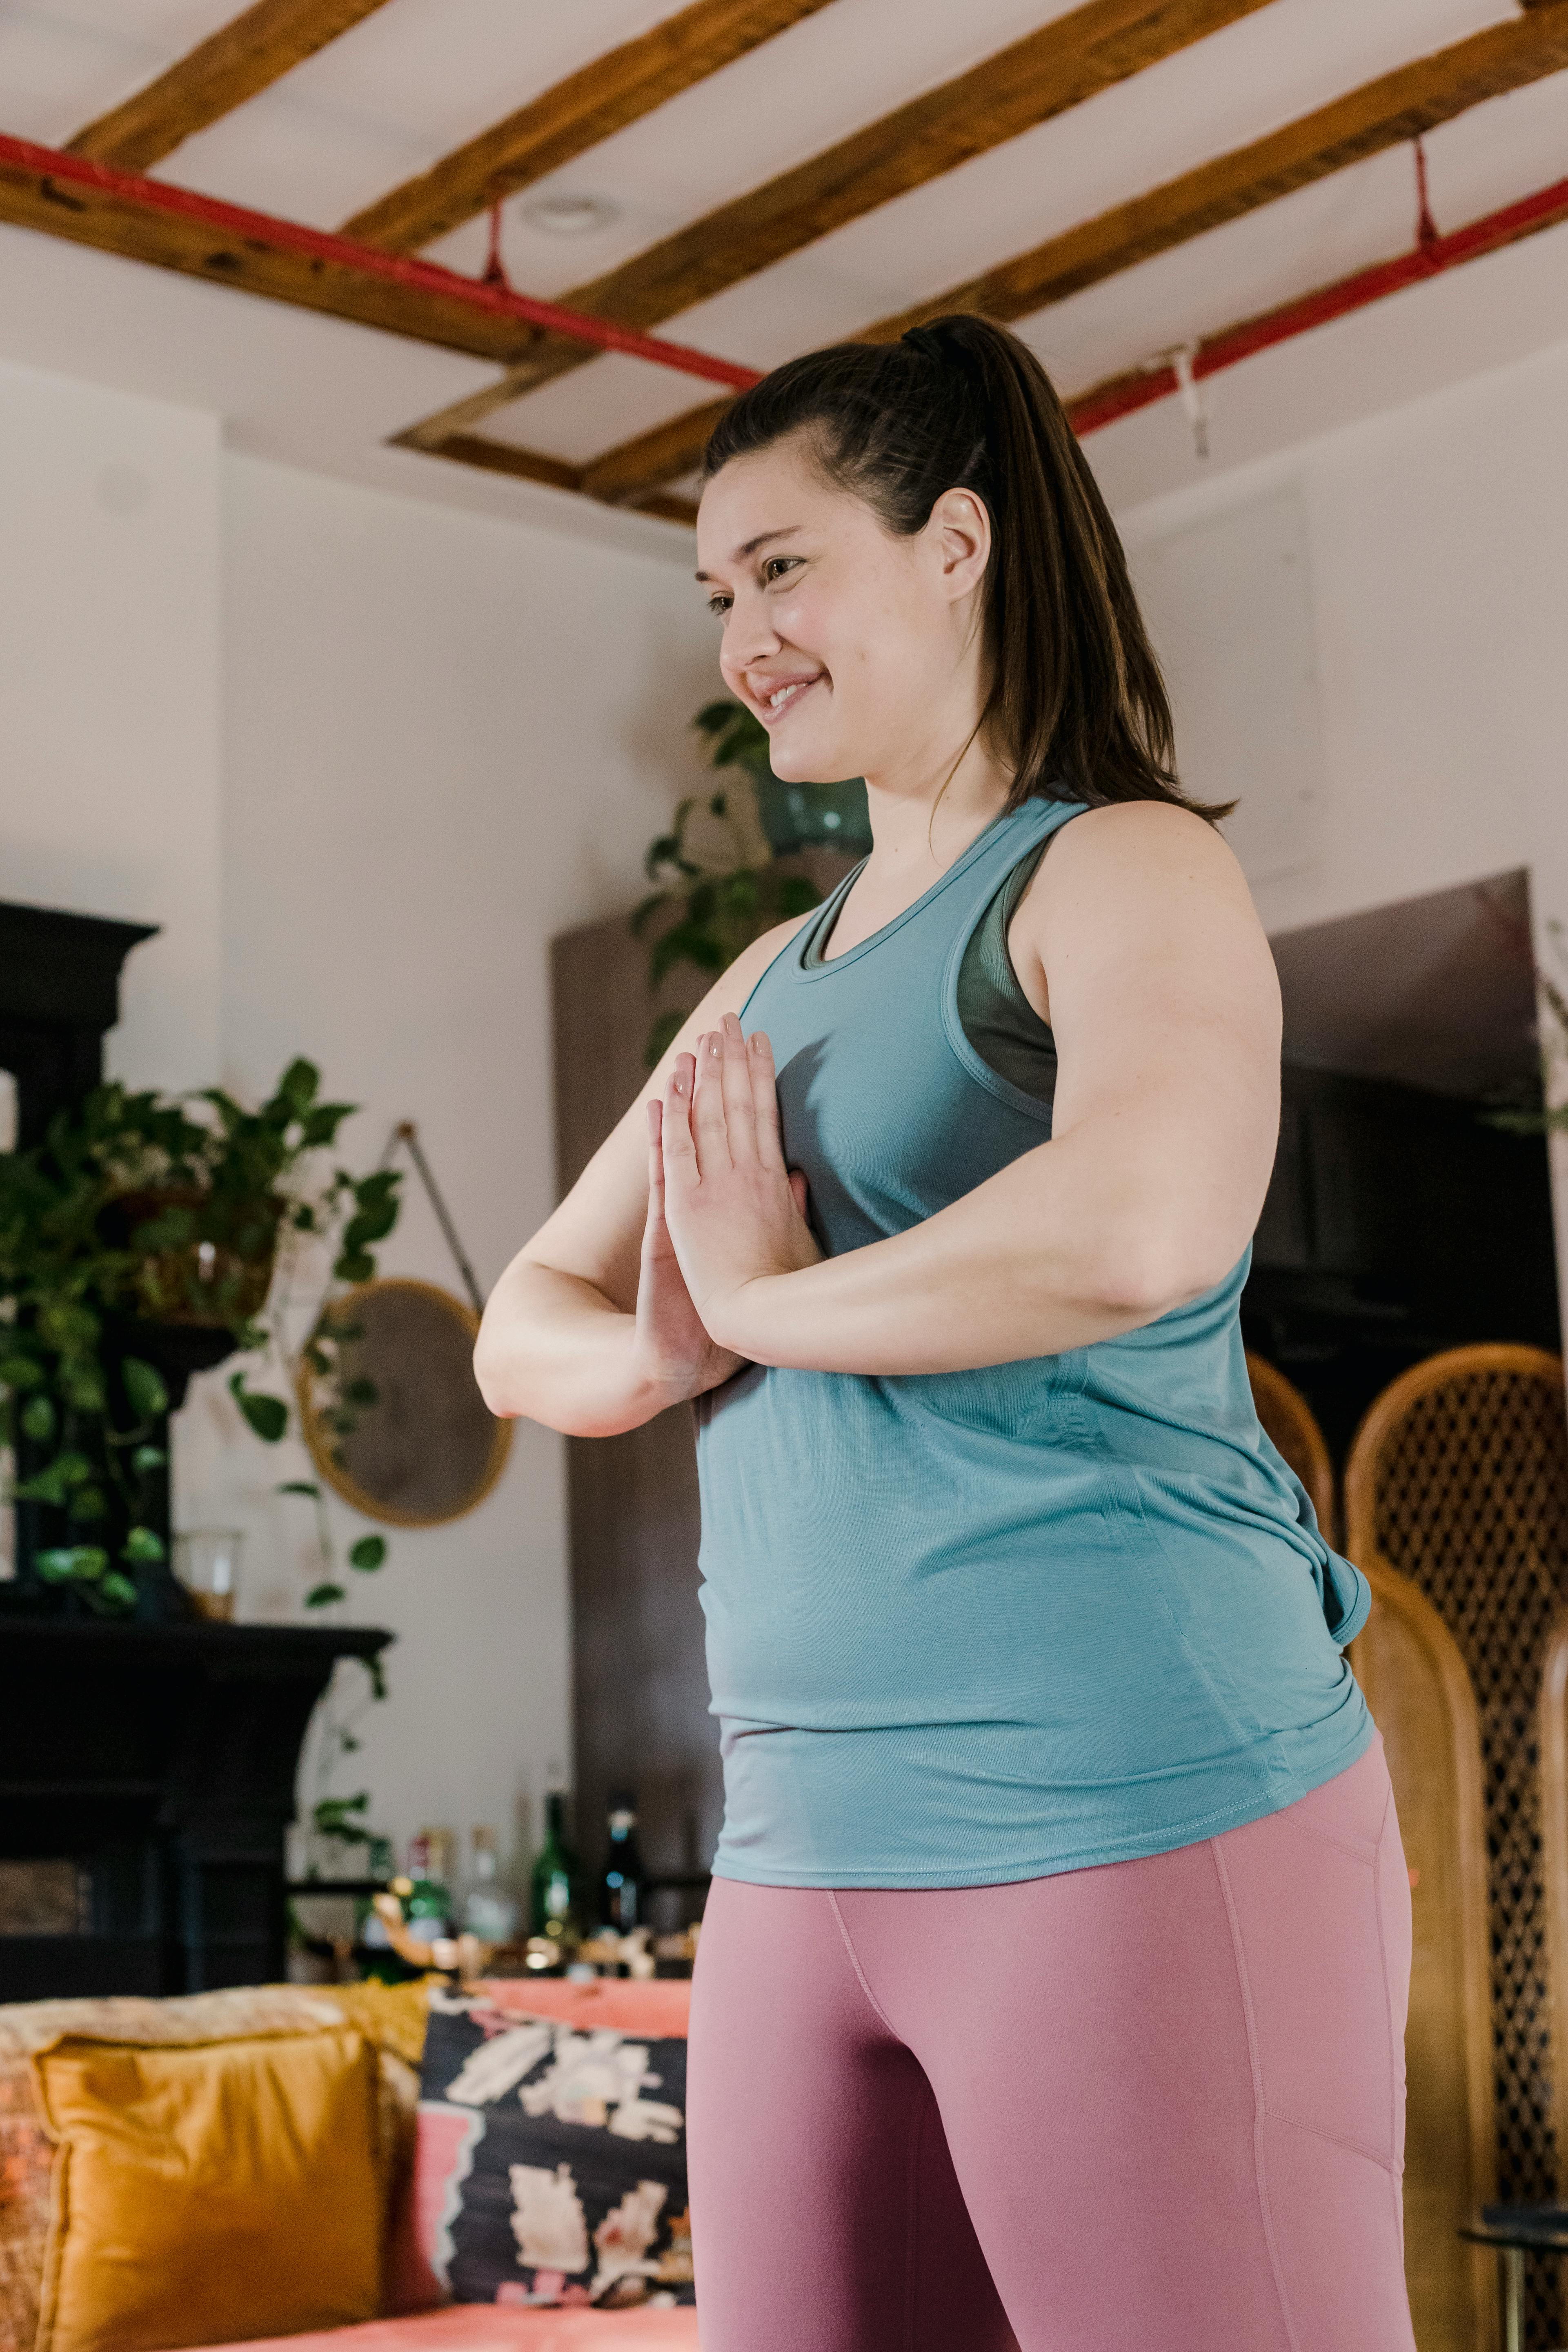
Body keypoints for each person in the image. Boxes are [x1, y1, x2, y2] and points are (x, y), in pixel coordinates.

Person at [475, 314, 1416, 2352]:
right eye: (718, 592)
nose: (743, 636)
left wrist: (766, 1300)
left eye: (785, 566)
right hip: (802, 1848)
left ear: (957, 544)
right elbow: (520, 1327)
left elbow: (1141, 1223)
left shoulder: (1117, 865)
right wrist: (672, 1351)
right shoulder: (766, 971)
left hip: (1131, 1800)